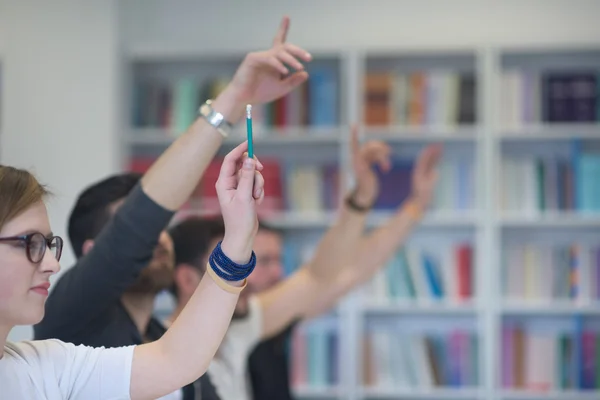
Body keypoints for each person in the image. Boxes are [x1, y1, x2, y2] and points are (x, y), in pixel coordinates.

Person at [33, 15, 311, 400]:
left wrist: (239, 236)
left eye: (165, 228)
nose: (161, 238)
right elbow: (143, 216)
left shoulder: (162, 340)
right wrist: (233, 99)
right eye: (146, 231)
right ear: (95, 253)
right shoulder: (71, 313)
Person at [167, 125, 443, 400]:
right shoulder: (160, 358)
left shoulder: (238, 332)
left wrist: (399, 203)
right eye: (237, 263)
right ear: (188, 279)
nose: (246, 277)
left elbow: (325, 274)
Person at [0, 135, 264, 399]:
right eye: (31, 243)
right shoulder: (69, 321)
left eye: (48, 244)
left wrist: (239, 238)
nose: (52, 264)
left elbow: (174, 361)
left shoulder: (46, 367)